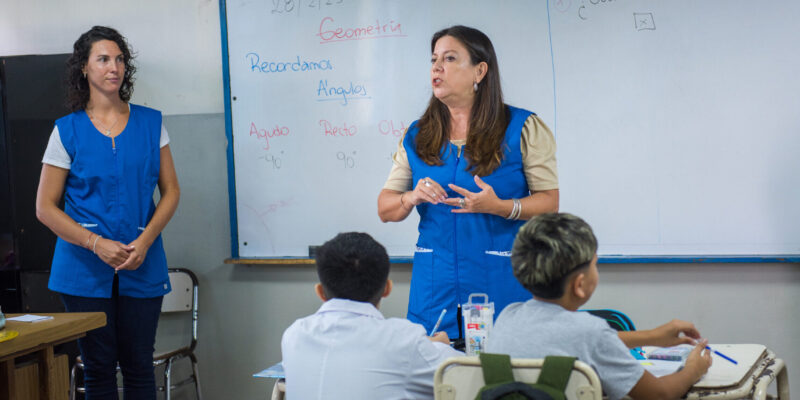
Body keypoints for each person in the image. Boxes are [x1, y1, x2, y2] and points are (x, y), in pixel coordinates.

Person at [377, 25, 559, 337]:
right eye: (434, 59)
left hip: (498, 280)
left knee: (500, 374)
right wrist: (411, 198)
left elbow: (549, 202)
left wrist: (500, 206)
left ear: (480, 71)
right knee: (435, 378)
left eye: (449, 59)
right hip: (435, 286)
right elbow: (385, 208)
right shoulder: (416, 135)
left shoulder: (523, 127)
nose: (436, 67)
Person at [35, 26, 180, 399]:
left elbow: (171, 192)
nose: (113, 67)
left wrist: (145, 242)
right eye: (102, 59)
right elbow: (45, 208)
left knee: (138, 366)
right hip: (82, 268)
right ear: (84, 68)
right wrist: (95, 243)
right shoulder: (66, 131)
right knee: (97, 368)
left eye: (119, 59)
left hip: (141, 259)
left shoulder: (151, 124)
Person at [486, 213, 712, 400]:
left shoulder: (508, 317)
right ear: (580, 285)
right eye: (595, 264)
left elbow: (570, 342)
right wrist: (693, 369)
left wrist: (651, 336)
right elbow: (660, 394)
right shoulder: (590, 331)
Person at [281, 232, 463, 399]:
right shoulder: (406, 341)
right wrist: (439, 346)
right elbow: (468, 373)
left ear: (320, 292)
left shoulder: (294, 335)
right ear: (387, 288)